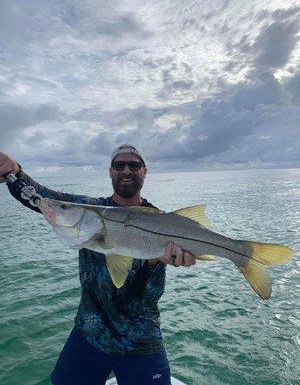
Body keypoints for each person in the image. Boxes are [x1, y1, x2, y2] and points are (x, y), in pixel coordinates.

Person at [0, 145, 196, 385]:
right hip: (89, 333)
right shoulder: (89, 208)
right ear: (110, 171)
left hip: (139, 339)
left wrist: (155, 263)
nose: (126, 170)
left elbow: (148, 297)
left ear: (145, 172)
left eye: (134, 165)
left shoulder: (160, 221)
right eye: (119, 164)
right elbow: (40, 197)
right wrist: (15, 172)